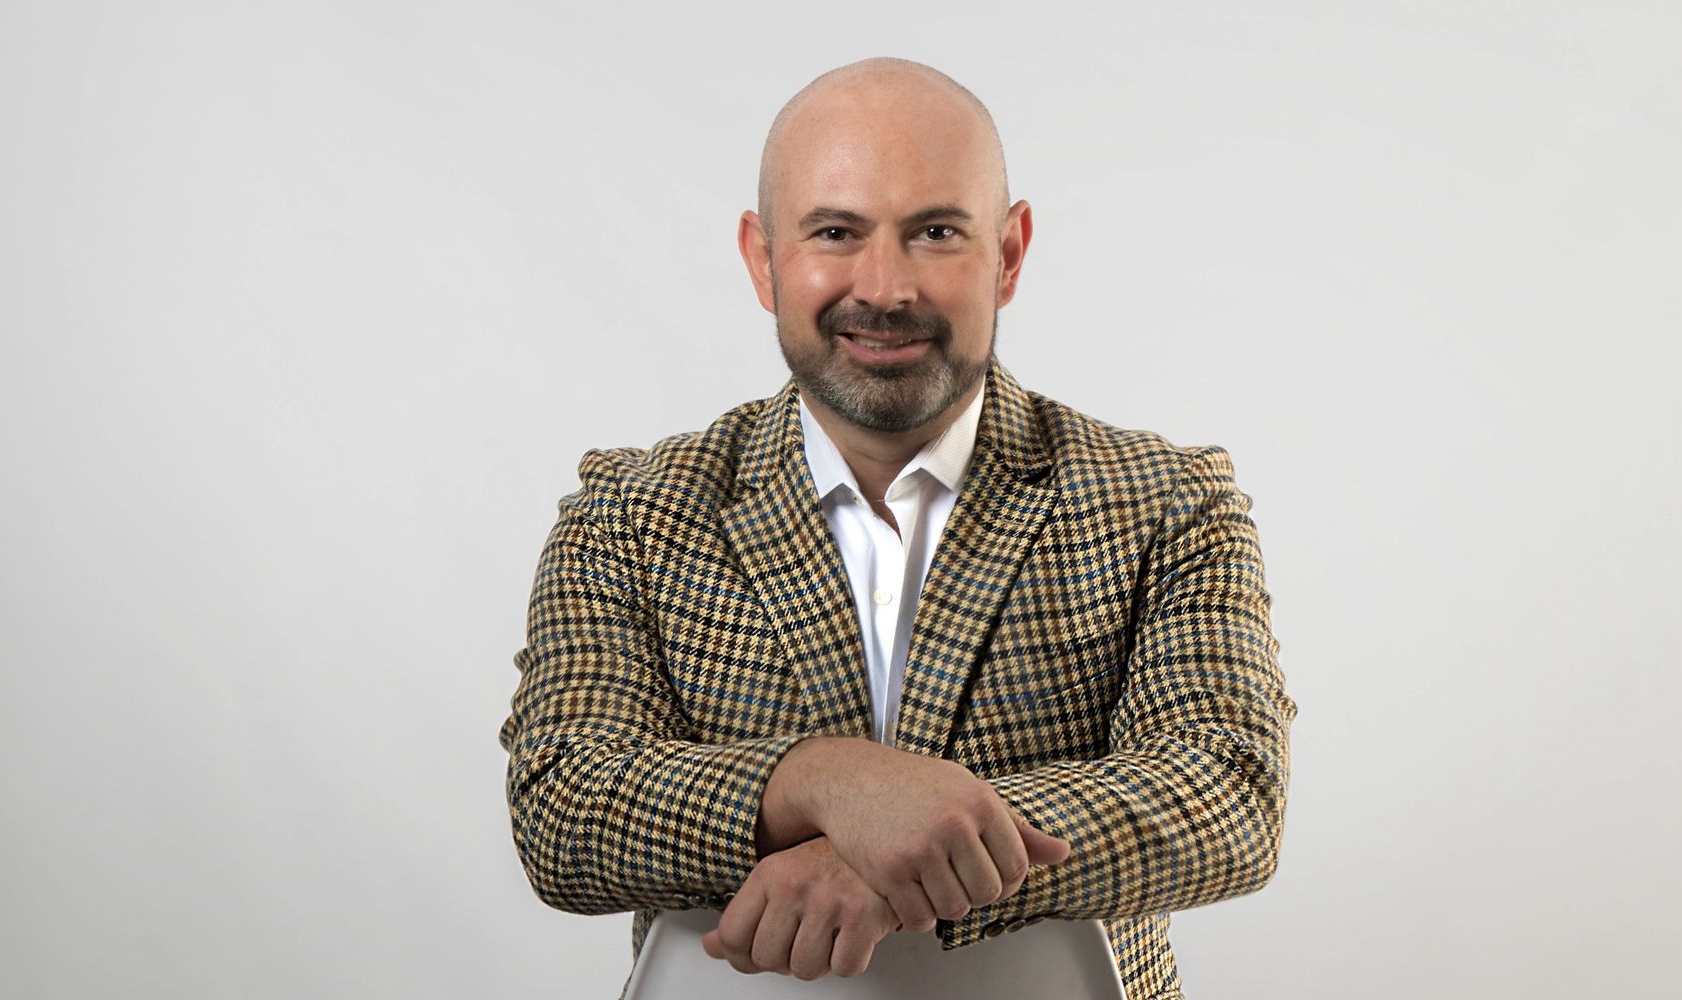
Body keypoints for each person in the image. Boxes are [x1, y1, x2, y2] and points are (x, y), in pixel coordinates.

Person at [498, 57, 1296, 1000]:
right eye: (835, 232)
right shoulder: (630, 514)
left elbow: (1230, 790)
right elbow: (564, 806)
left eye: (936, 233)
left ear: (1007, 253)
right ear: (762, 259)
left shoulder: (1165, 501)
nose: (885, 286)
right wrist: (820, 781)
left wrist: (897, 852)